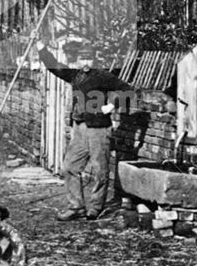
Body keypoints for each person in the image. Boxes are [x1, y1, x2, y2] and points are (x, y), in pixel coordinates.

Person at [36, 39, 132, 221]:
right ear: (78, 60)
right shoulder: (75, 75)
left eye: (89, 58)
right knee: (70, 167)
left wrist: (111, 106)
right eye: (83, 58)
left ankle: (95, 207)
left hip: (99, 129)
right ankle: (76, 206)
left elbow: (127, 90)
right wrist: (41, 46)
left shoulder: (102, 76)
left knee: (99, 171)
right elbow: (53, 66)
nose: (86, 62)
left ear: (94, 60)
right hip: (80, 128)